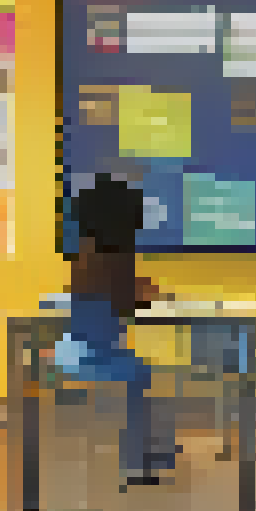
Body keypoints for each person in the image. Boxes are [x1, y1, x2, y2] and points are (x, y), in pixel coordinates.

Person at [53, 174, 174, 483]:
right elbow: (128, 306)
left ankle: (149, 448)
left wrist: (137, 289)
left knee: (140, 370)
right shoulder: (117, 258)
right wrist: (144, 292)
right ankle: (139, 457)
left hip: (71, 348)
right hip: (96, 356)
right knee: (142, 372)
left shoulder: (84, 254)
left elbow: (111, 296)